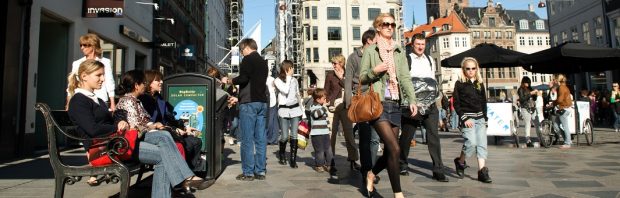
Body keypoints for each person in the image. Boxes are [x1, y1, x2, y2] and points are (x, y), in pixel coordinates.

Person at [67, 61, 210, 197]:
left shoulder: (96, 99)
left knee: (164, 140)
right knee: (164, 152)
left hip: (117, 143)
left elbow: (110, 121)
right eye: (98, 75)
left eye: (103, 74)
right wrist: (116, 126)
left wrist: (121, 121)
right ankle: (186, 177)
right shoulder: (78, 100)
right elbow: (92, 129)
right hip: (104, 149)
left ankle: (186, 178)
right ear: (84, 76)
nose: (103, 79)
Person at [360, 13, 418, 198]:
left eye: (392, 25)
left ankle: (371, 173)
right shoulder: (371, 51)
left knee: (389, 152)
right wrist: (374, 71)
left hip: (395, 103)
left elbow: (405, 78)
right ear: (378, 27)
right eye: (386, 24)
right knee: (395, 149)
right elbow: (361, 77)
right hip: (378, 104)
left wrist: (412, 99)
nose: (390, 27)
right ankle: (398, 193)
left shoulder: (398, 50)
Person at [397, 33, 448, 182]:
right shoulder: (407, 59)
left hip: (430, 105)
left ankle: (438, 169)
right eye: (418, 44)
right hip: (413, 105)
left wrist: (436, 100)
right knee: (407, 136)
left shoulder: (430, 60)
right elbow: (403, 81)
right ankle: (402, 163)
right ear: (412, 45)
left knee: (433, 136)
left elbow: (432, 81)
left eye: (422, 44)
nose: (420, 47)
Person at [138, 70, 204, 173]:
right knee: (186, 144)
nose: (161, 82)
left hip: (167, 131)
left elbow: (169, 118)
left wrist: (184, 128)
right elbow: (151, 123)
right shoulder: (144, 100)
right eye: (157, 80)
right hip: (156, 134)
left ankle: (191, 172)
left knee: (196, 141)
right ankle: (183, 176)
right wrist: (174, 130)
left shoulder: (159, 98)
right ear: (149, 83)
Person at [345, 29, 381, 185]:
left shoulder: (377, 55)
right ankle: (366, 169)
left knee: (375, 138)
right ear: (369, 41)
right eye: (377, 41)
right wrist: (348, 103)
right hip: (361, 101)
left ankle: (371, 170)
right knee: (365, 138)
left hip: (376, 99)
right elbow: (347, 80)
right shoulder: (354, 57)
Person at [230, 38, 269, 181]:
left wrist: (230, 80)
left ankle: (248, 172)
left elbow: (244, 79)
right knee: (260, 139)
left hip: (249, 104)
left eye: (241, 50)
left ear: (246, 47)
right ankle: (260, 171)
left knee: (247, 138)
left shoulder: (247, 60)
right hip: (262, 103)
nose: (241, 53)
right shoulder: (263, 62)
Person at [453, 57, 492, 183]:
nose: (471, 71)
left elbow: (483, 102)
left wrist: (485, 119)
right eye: (468, 68)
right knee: (471, 143)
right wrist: (464, 118)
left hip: (480, 118)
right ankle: (460, 161)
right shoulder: (459, 83)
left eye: (473, 68)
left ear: (477, 69)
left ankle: (482, 171)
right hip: (467, 118)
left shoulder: (479, 83)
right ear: (463, 69)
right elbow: (456, 103)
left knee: (481, 144)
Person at [325, 54, 360, 172]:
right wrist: (328, 101)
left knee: (349, 135)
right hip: (333, 108)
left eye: (335, 63)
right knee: (331, 135)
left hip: (346, 106)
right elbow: (326, 91)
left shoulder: (348, 74)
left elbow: (351, 88)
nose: (333, 65)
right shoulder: (329, 75)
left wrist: (341, 78)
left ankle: (353, 159)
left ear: (341, 63)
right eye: (332, 63)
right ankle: (330, 161)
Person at [66, 33, 115, 111]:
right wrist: (68, 103)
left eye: (85, 45)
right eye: (81, 45)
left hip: (100, 99)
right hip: (82, 99)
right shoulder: (77, 63)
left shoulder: (105, 62)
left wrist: (112, 102)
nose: (82, 48)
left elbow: (109, 82)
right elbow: (72, 84)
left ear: (93, 45)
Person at [274, 60, 303, 168]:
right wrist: (289, 77)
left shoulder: (295, 80)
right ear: (287, 68)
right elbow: (285, 90)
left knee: (294, 135)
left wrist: (302, 111)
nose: (293, 69)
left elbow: (297, 95)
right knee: (285, 136)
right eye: (292, 67)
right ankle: (282, 154)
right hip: (283, 110)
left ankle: (293, 160)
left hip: (295, 109)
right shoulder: (277, 80)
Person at [308, 88, 334, 173]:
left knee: (328, 149)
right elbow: (316, 115)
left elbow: (326, 121)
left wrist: (329, 131)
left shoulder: (322, 108)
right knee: (319, 150)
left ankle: (329, 164)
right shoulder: (313, 107)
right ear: (318, 99)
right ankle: (319, 165)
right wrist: (323, 107)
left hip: (325, 133)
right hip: (316, 134)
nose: (325, 99)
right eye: (324, 98)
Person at [553, 74, 574, 149]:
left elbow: (560, 99)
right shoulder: (564, 87)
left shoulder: (561, 88)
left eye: (554, 79)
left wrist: (553, 103)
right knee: (556, 125)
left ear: (558, 80)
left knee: (565, 126)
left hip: (564, 108)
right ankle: (567, 139)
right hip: (564, 108)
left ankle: (568, 142)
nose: (553, 81)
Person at [517, 77, 538, 147]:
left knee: (537, 123)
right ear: (523, 82)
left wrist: (535, 94)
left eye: (528, 83)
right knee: (528, 123)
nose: (528, 84)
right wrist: (530, 93)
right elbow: (522, 99)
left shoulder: (530, 88)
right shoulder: (520, 89)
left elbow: (534, 99)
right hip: (525, 108)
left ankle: (541, 139)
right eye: (526, 83)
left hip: (532, 107)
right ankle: (528, 140)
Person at [266, 66, 280, 145]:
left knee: (270, 120)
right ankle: (273, 139)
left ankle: (270, 138)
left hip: (270, 101)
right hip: (272, 101)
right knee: (274, 121)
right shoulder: (272, 79)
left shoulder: (270, 79)